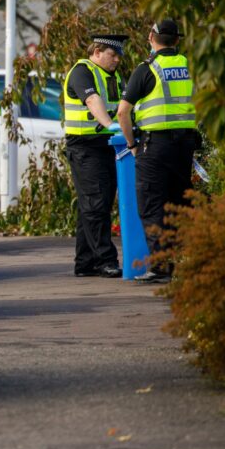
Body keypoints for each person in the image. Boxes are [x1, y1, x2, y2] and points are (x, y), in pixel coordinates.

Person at [116, 19, 199, 283]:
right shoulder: (190, 66)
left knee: (152, 205)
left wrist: (131, 144)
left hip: (155, 147)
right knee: (178, 203)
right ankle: (183, 263)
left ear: (152, 37)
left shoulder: (147, 69)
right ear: (177, 40)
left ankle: (161, 266)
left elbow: (122, 112)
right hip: (185, 146)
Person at [63, 33, 128, 278]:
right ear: (97, 52)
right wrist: (110, 124)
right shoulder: (83, 71)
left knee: (92, 205)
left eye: (119, 56)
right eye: (113, 55)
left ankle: (85, 262)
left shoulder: (115, 76)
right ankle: (105, 260)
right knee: (96, 204)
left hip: (107, 146)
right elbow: (92, 99)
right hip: (85, 147)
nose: (117, 60)